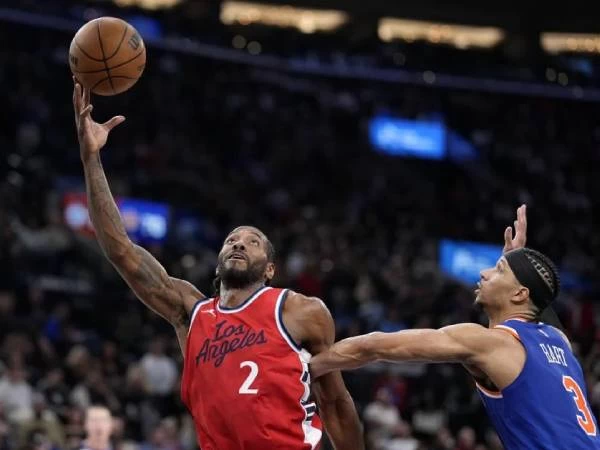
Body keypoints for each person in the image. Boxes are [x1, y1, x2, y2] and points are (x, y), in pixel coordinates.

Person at [72, 80, 363, 450]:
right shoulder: (192, 313)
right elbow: (121, 251)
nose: (239, 242)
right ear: (218, 260)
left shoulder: (299, 311)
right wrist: (91, 158)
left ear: (270, 269)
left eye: (253, 242)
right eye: (231, 240)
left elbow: (335, 403)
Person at [311, 206, 600, 449]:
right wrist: (519, 261)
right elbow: (540, 302)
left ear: (519, 294)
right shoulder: (559, 341)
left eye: (498, 270)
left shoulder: (489, 342)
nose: (484, 273)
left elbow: (376, 346)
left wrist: (308, 365)